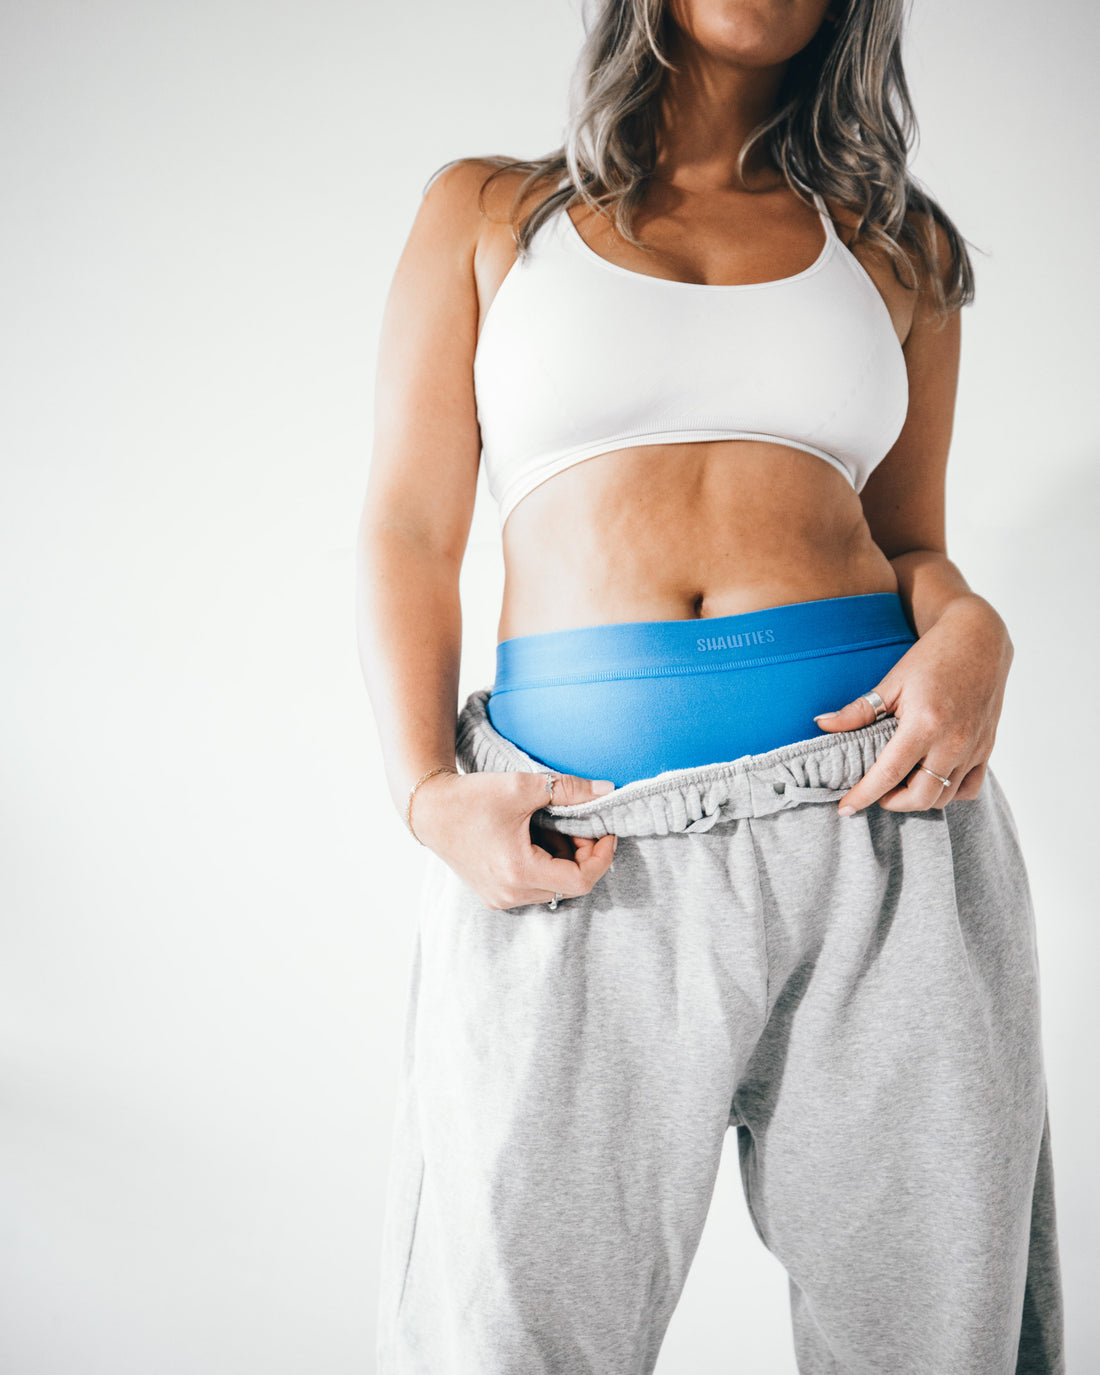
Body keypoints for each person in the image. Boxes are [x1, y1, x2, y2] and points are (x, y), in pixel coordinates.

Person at [357, 0, 1065, 1370]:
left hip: (881, 832)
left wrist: (973, 624)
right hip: (573, 832)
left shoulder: (896, 248)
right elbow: (408, 528)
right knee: (504, 1334)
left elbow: (912, 540)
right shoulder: (490, 217)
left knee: (933, 1336)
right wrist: (427, 794)